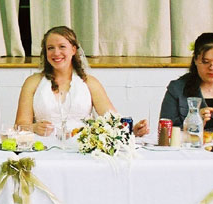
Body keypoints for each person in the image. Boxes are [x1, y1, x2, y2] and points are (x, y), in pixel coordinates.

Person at [15, 26, 149, 137]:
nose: (56, 53)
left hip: (80, 148)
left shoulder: (90, 83)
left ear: (73, 50)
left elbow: (112, 121)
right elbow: (19, 125)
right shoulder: (32, 82)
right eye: (50, 48)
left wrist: (133, 130)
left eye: (62, 47)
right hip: (43, 147)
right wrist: (33, 127)